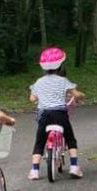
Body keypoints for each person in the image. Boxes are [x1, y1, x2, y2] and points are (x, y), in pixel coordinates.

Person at [28, 47, 86, 180]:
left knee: (39, 142)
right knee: (70, 139)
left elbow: (32, 99)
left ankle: (35, 170)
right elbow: (76, 94)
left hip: (43, 115)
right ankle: (74, 167)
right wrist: (81, 95)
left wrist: (40, 96)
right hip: (60, 114)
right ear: (61, 65)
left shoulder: (38, 82)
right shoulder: (63, 81)